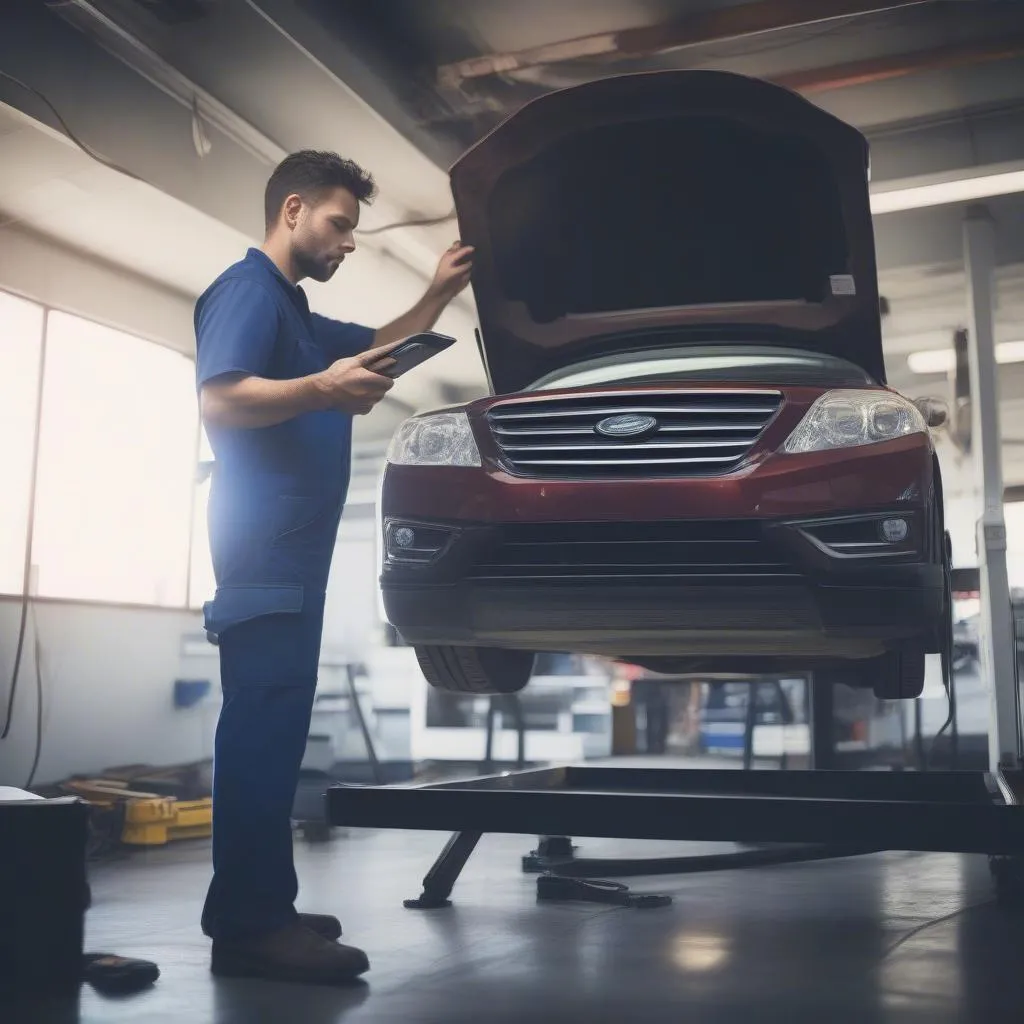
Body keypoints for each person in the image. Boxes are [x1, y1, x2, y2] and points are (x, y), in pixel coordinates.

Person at [193, 150, 473, 985]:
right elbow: (219, 395)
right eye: (339, 224)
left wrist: (441, 289)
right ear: (291, 211)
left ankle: (259, 907)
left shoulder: (296, 311)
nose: (348, 241)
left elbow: (382, 345)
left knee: (275, 741)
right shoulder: (247, 292)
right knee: (260, 736)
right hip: (264, 550)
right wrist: (319, 391)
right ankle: (250, 926)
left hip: (291, 553)